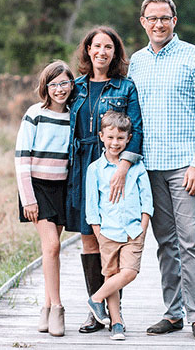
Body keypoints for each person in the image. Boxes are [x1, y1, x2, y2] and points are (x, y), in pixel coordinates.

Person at [128, 0, 195, 341]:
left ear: (174, 21)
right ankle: (173, 313)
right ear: (143, 22)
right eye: (152, 18)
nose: (158, 24)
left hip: (184, 167)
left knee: (190, 241)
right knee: (165, 242)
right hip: (149, 168)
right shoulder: (136, 62)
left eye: (164, 18)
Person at [65, 26, 143, 333]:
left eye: (108, 47)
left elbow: (136, 131)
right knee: (89, 238)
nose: (101, 52)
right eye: (96, 46)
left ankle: (113, 309)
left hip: (112, 170)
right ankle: (94, 311)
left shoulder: (126, 87)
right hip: (81, 168)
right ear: (87, 50)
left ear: (115, 52)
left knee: (112, 240)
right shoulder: (77, 86)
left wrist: (123, 167)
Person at [15, 60, 74, 337]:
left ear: (71, 85)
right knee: (51, 246)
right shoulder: (34, 114)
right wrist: (28, 198)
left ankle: (46, 307)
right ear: (45, 87)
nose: (60, 89)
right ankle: (59, 308)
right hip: (37, 188)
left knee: (53, 249)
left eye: (64, 83)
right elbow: (21, 159)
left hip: (61, 187)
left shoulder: (73, 115)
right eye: (54, 84)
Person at [85, 110, 153, 341]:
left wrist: (143, 229)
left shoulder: (137, 167)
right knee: (111, 274)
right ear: (101, 136)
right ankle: (116, 324)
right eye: (111, 137)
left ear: (128, 139)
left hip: (133, 230)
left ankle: (95, 299)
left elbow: (147, 202)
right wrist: (99, 233)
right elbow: (92, 208)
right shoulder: (94, 169)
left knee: (129, 272)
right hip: (108, 232)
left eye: (120, 138)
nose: (115, 143)